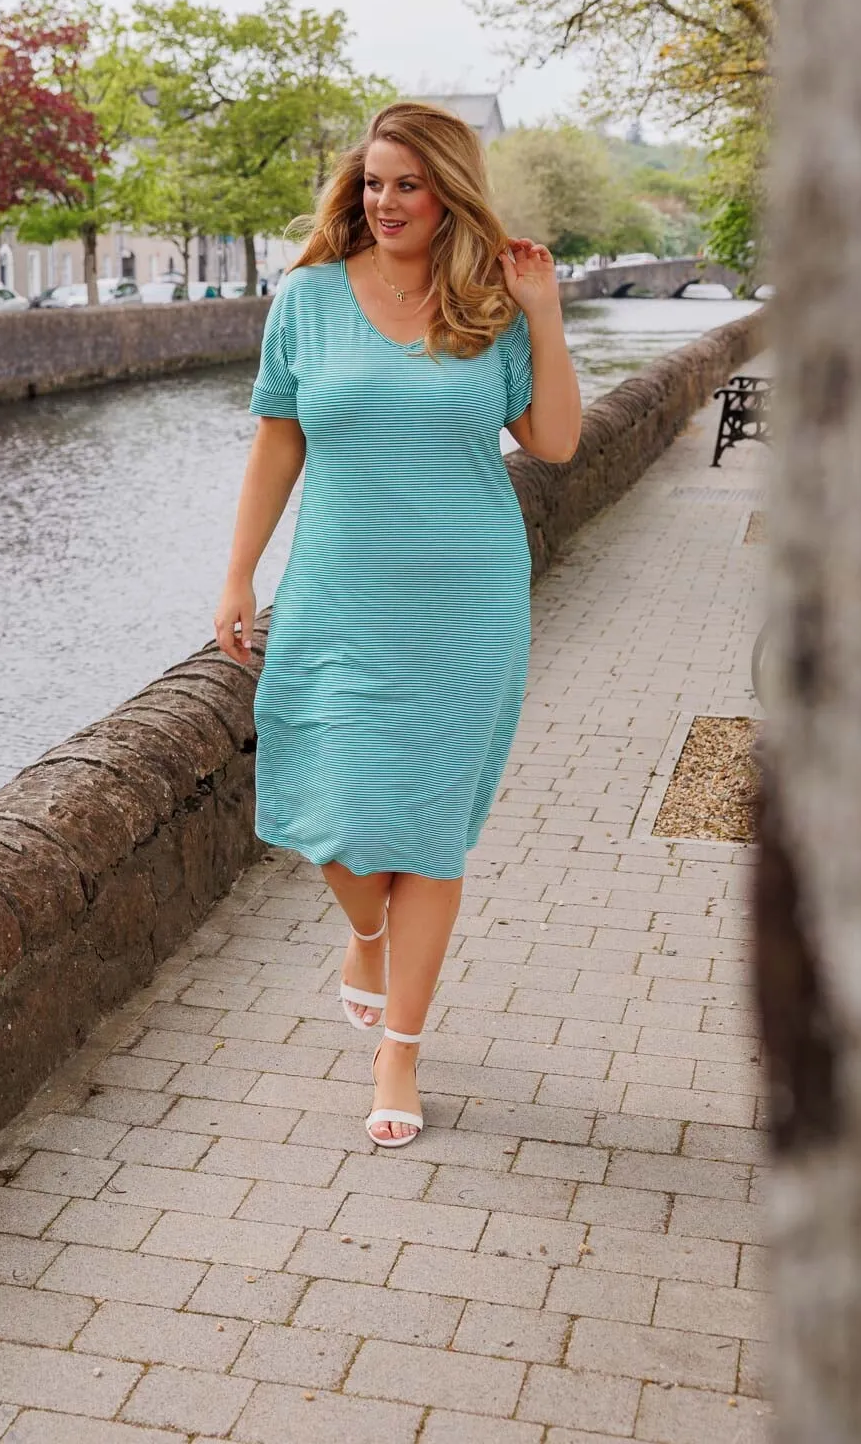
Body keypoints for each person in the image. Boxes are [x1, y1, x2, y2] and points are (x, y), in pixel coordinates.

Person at [214, 101, 581, 1147]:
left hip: (465, 604)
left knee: (426, 826)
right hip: (337, 595)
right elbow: (277, 443)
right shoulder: (310, 298)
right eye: (373, 182)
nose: (385, 201)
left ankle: (400, 1054)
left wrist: (543, 311)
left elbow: (553, 441)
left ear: (450, 193)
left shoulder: (490, 308)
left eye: (408, 184)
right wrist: (238, 573)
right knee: (330, 804)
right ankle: (365, 931)